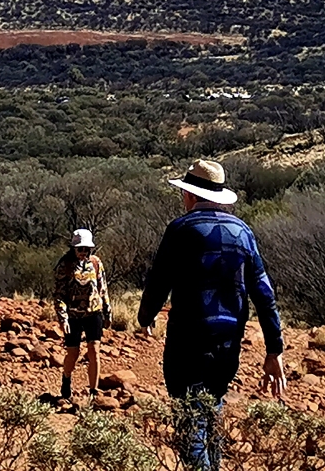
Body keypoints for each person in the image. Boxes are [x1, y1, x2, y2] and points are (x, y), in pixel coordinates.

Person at [137, 159, 286, 471]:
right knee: (212, 410)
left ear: (190, 196)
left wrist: (145, 316)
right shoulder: (244, 233)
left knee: (190, 419)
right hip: (228, 345)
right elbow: (264, 294)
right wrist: (274, 350)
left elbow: (158, 281)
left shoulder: (180, 229)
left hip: (186, 341)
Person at [53, 227, 110, 403]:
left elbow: (102, 287)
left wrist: (107, 311)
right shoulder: (64, 265)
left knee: (94, 351)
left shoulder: (96, 263)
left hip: (94, 313)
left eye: (87, 249)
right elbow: (59, 294)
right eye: (80, 249)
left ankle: (93, 392)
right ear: (73, 248)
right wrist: (62, 317)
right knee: (73, 352)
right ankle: (66, 377)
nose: (84, 252)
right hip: (73, 315)